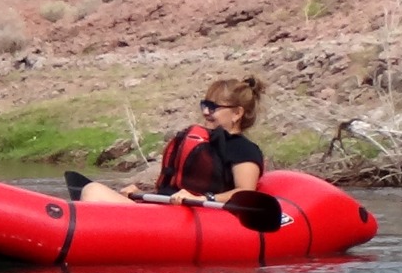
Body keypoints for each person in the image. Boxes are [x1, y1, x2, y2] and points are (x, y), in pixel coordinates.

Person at [77, 76, 267, 206]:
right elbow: (177, 186)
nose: (205, 112)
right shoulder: (207, 142)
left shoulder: (244, 150)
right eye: (205, 105)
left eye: (213, 107)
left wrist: (204, 198)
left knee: (93, 192)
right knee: (94, 190)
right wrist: (143, 192)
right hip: (171, 208)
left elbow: (245, 193)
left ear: (237, 113)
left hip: (199, 215)